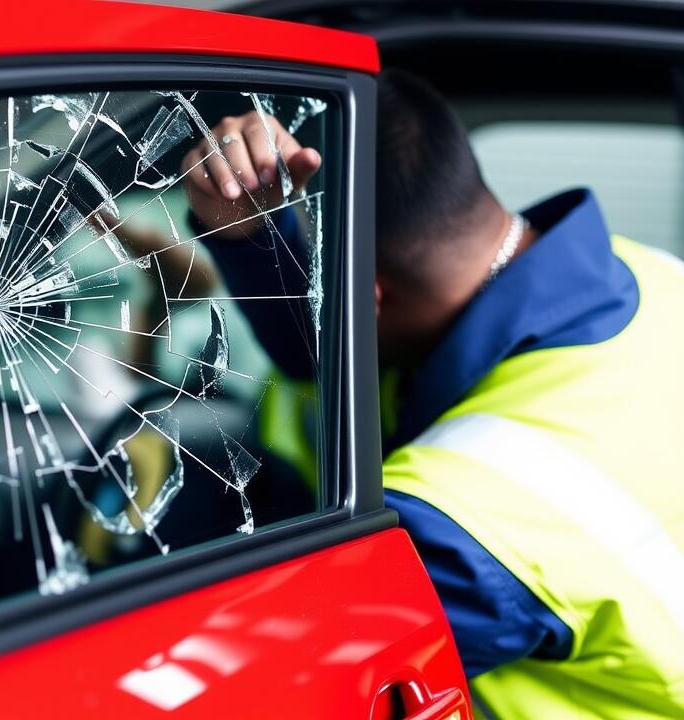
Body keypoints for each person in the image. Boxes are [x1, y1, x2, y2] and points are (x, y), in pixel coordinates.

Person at [181, 69, 684, 717]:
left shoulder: (462, 518)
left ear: (363, 298)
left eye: (320, 288)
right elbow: (327, 351)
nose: (319, 309)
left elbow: (261, 683)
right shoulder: (648, 273)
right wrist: (245, 231)